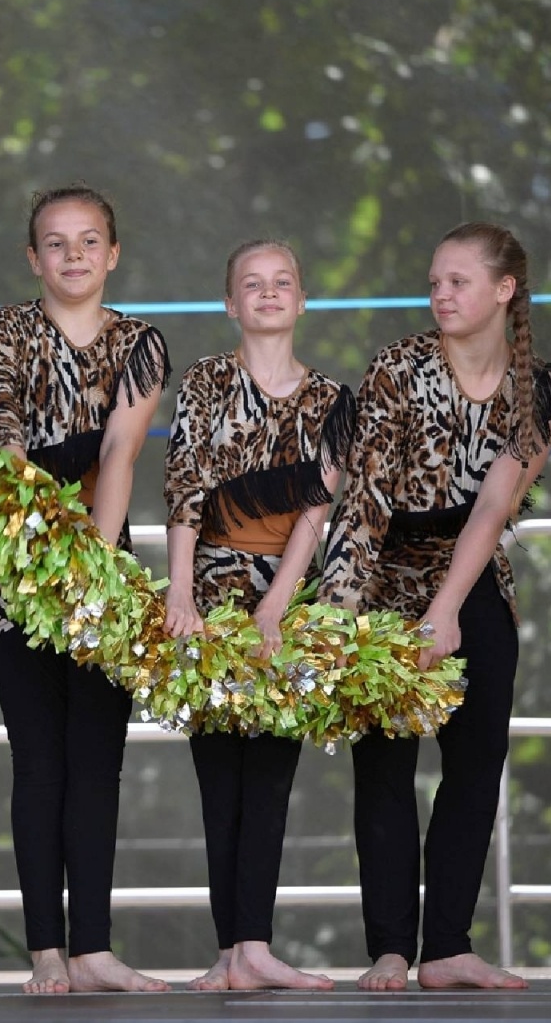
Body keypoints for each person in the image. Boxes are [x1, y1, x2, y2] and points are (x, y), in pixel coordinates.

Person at [321, 221, 551, 991]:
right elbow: (361, 505)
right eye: (434, 281)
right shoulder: (398, 366)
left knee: (475, 764)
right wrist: (338, 613)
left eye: (458, 281)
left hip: (469, 578)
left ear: (505, 289)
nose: (440, 294)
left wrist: (449, 608)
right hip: (384, 576)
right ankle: (391, 947)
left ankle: (448, 947)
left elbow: (494, 509)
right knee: (386, 770)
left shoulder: (544, 388)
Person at [0, 184, 172, 994]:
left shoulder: (141, 343)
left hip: (102, 573)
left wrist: (92, 571)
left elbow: (119, 455)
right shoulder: (4, 330)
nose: (74, 255)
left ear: (113, 254)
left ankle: (93, 947)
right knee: (40, 762)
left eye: (90, 241)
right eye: (56, 243)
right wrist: (41, 561)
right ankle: (45, 951)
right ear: (33, 258)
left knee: (97, 762)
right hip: (15, 573)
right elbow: (5, 444)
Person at [162, 240, 351, 992]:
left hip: (288, 594)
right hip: (210, 588)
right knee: (220, 780)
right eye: (253, 285)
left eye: (282, 284)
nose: (269, 294)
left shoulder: (335, 399)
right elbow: (184, 486)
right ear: (231, 304)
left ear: (301, 301)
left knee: (270, 776)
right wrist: (180, 590)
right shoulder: (207, 380)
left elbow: (318, 507)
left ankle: (256, 944)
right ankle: (225, 952)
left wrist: (279, 603)